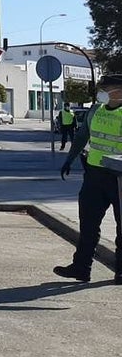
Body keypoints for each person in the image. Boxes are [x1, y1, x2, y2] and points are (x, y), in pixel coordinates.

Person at [53, 74, 122, 284]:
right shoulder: (96, 110)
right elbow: (82, 136)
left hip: (119, 178)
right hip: (94, 175)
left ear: (118, 91)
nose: (101, 92)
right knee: (88, 224)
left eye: (106, 88)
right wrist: (69, 159)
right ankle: (81, 267)